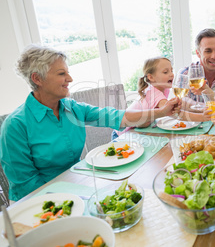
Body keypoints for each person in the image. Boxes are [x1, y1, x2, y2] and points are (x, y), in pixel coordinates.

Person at [0, 44, 180, 202]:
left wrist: (162, 112)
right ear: (37, 79)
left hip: (74, 184)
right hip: (39, 201)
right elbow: (27, 187)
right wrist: (73, 198)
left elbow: (118, 117)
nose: (70, 79)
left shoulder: (71, 107)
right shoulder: (15, 126)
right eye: (62, 74)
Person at [113, 57, 213, 138]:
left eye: (171, 70)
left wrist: (203, 108)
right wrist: (203, 117)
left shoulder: (162, 89)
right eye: (165, 72)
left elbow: (178, 106)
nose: (171, 74)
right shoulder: (153, 93)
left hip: (137, 130)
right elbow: (175, 114)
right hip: (124, 134)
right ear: (151, 77)